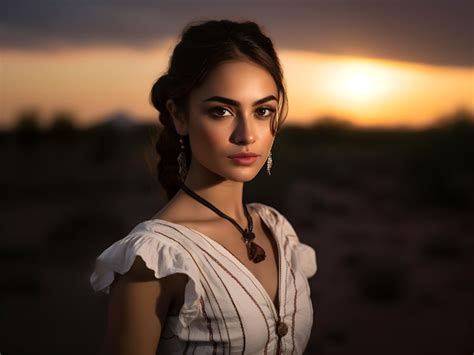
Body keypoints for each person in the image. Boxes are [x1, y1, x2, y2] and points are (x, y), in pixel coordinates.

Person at [89, 19, 318, 355]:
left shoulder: (277, 230)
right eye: (221, 111)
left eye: (262, 110)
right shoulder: (154, 258)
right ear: (179, 116)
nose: (247, 135)